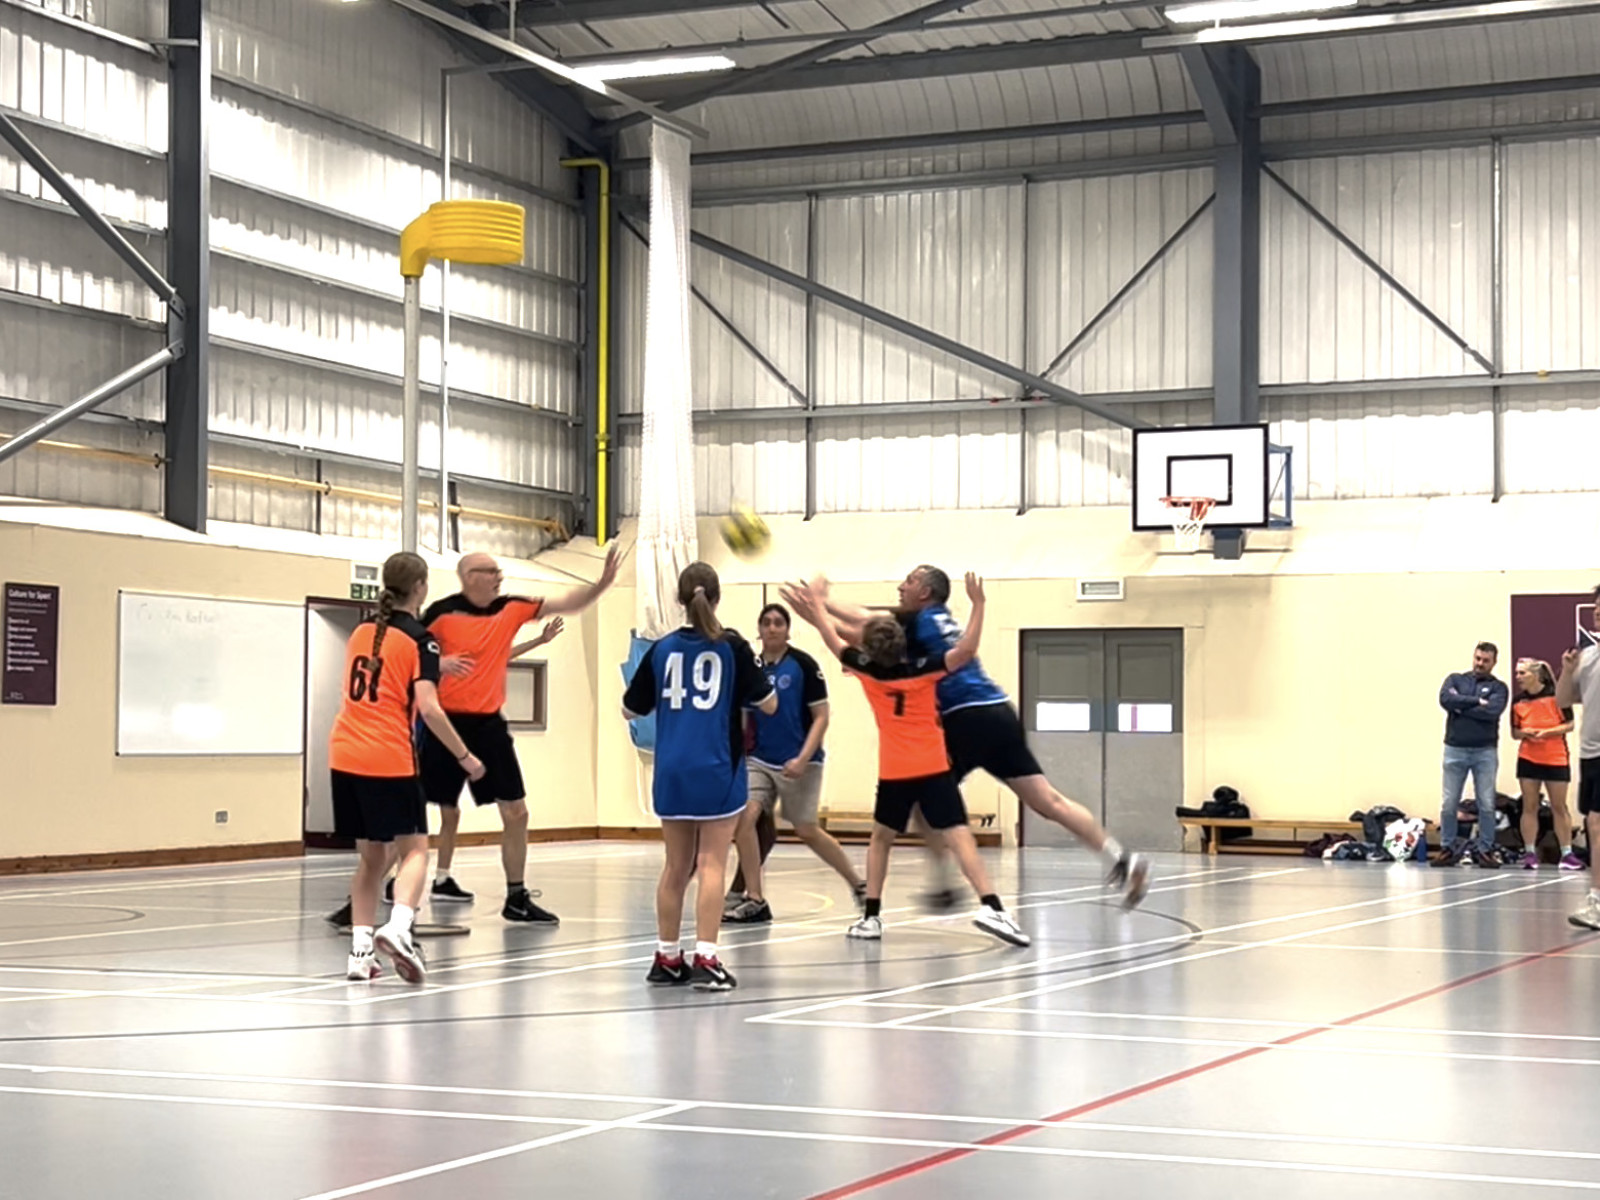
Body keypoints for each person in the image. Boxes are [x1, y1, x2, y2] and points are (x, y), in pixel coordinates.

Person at [812, 566, 1149, 909]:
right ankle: (1121, 857)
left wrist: (821, 605)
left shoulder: (918, 621)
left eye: (909, 581)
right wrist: (823, 608)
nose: (901, 586)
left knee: (924, 800)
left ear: (925, 593)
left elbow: (863, 624)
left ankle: (945, 884)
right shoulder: (940, 621)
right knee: (1049, 801)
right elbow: (863, 626)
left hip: (964, 718)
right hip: (998, 712)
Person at [782, 573, 1030, 947]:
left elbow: (831, 636)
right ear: (903, 644)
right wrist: (978, 605)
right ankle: (992, 906)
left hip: (895, 771)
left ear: (869, 649)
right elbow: (965, 652)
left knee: (881, 839)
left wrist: (816, 605)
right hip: (933, 766)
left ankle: (871, 917)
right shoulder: (925, 668)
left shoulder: (867, 671)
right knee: (958, 834)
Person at [418, 548, 619, 923]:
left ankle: (516, 897)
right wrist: (439, 662)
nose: (499, 576)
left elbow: (566, 603)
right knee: (417, 808)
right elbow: (406, 653)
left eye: (499, 570)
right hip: (443, 723)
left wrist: (601, 586)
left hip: (489, 727)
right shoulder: (440, 614)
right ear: (470, 576)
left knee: (517, 812)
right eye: (491, 571)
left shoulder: (511, 608)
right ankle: (390, 885)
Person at [328, 552, 485, 984]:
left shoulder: (361, 631)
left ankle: (361, 954)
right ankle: (398, 926)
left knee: (371, 859)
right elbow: (430, 709)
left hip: (344, 754)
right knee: (415, 848)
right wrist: (465, 756)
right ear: (420, 588)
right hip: (388, 755)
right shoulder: (421, 640)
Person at [623, 563, 777, 991]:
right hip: (716, 766)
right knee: (711, 863)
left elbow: (630, 708)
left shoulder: (662, 649)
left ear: (679, 599)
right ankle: (706, 958)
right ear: (717, 597)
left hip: (671, 769)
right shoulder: (733, 647)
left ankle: (667, 957)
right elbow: (768, 704)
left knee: (676, 866)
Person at [724, 603, 866, 924]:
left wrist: (802, 758)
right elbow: (744, 718)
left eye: (779, 622)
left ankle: (858, 885)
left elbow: (822, 717)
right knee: (744, 820)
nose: (772, 628)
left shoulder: (803, 665)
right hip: (760, 760)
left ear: (788, 630)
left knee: (806, 830)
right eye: (766, 622)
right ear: (759, 630)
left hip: (801, 761)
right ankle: (754, 898)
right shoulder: (752, 669)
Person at [1435, 641, 1510, 868]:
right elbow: (1445, 699)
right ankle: (1447, 848)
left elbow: (1492, 711)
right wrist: (1477, 701)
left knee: (1486, 803)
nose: (1480, 663)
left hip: (1485, 751)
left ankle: (1485, 850)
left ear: (1494, 662)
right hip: (1454, 749)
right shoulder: (1455, 679)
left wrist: (1461, 706)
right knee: (1449, 803)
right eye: (1478, 658)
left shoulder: (1499, 688)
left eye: (1486, 660)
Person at [1510, 658, 1580, 870]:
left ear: (1535, 675)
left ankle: (1567, 854)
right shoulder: (1518, 701)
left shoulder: (1558, 697)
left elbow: (1569, 724)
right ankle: (1530, 853)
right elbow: (1515, 732)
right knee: (1529, 806)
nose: (1518, 677)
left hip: (1555, 757)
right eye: (1517, 673)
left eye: (1522, 673)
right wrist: (1526, 733)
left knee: (1559, 806)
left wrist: (1547, 733)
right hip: (1528, 758)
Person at [1559, 592, 1600, 929]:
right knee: (1593, 825)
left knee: (1597, 824)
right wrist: (1566, 670)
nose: (1598, 613)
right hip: (1590, 752)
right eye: (1596, 608)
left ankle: (1596, 902)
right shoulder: (1587, 655)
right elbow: (1564, 699)